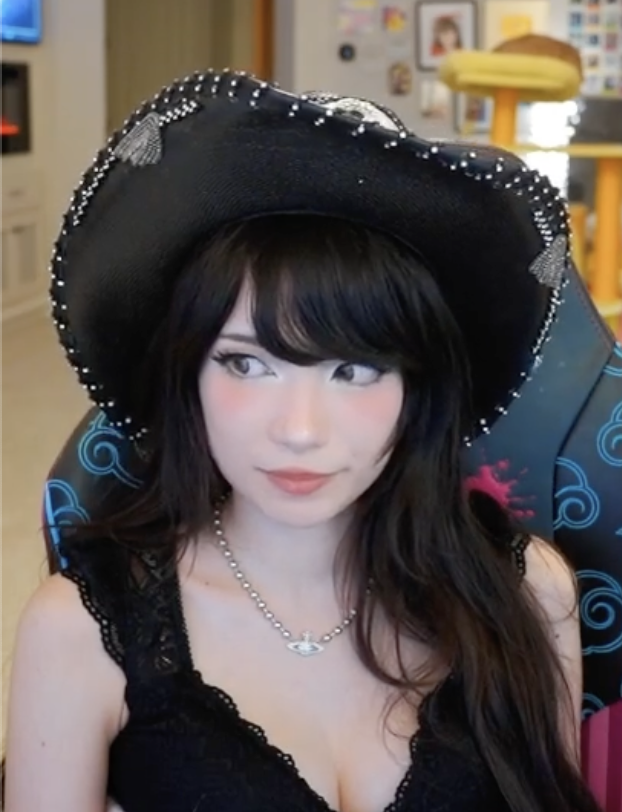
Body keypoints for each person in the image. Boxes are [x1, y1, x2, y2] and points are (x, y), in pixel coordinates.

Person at [3, 71, 603, 812]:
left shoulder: (528, 592)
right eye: (246, 364)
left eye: (355, 370)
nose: (299, 430)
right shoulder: (79, 635)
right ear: (187, 374)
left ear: (419, 388)